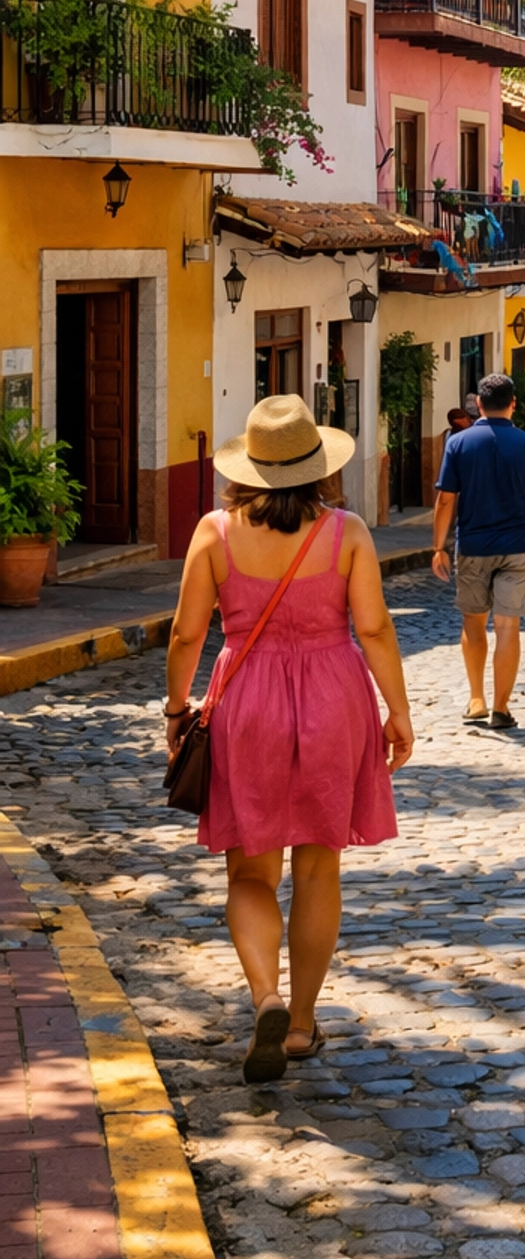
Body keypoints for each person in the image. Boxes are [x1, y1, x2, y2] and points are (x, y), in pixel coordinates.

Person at [163, 396, 413, 1085]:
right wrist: (398, 711)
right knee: (318, 866)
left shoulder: (214, 531)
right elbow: (375, 630)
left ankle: (263, 997)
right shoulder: (348, 531)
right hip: (336, 699)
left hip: (246, 703)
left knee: (249, 873)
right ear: (317, 467)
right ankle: (300, 1024)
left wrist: (177, 711)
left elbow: (187, 634)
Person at [432, 373, 525, 732]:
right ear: (513, 403)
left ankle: (476, 700)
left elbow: (445, 500)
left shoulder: (459, 444)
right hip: (519, 548)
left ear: (479, 406)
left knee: (473, 622)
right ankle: (501, 707)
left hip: (473, 546)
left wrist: (438, 546)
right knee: (508, 626)